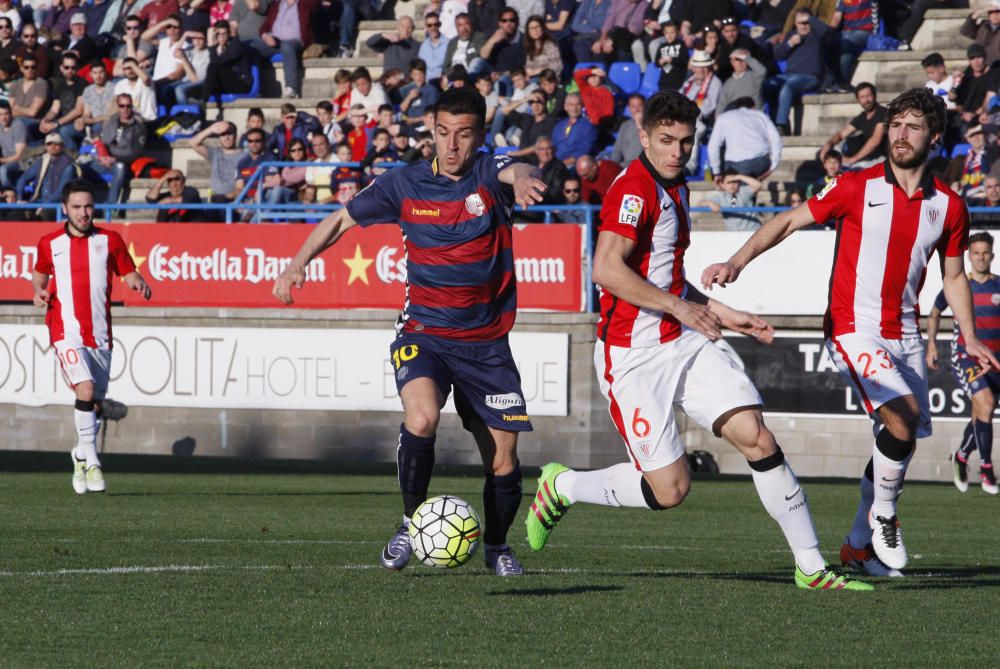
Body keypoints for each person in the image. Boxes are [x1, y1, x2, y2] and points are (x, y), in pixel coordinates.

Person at [524, 90, 870, 591]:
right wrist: (681, 307)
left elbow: (665, 279)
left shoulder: (677, 185)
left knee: (755, 435)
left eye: (685, 143)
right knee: (670, 490)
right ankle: (563, 485)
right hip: (634, 356)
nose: (676, 152)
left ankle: (812, 568)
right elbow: (605, 268)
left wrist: (721, 311)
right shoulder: (633, 191)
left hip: (682, 338)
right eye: (665, 141)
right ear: (643, 136)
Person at [701, 88, 1000, 578]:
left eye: (913, 126)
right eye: (896, 124)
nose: (901, 135)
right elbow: (789, 221)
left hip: (902, 332)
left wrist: (967, 337)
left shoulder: (949, 206)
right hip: (852, 327)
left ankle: (858, 546)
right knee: (901, 422)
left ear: (935, 137)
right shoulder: (855, 185)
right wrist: (737, 261)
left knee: (896, 438)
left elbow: (954, 276)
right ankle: (885, 515)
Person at [273, 87, 548, 576]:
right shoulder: (403, 183)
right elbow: (341, 220)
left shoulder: (489, 172)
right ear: (432, 131)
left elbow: (518, 170)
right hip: (424, 330)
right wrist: (297, 265)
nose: (452, 145)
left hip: (485, 343)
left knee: (503, 457)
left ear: (479, 135)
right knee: (421, 419)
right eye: (443, 133)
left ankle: (497, 546)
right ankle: (408, 523)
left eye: (464, 135)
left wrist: (527, 178)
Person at [32, 179, 152, 495]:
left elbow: (128, 271)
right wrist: (38, 291)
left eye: (88, 206)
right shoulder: (50, 242)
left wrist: (137, 280)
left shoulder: (110, 240)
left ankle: (80, 454)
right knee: (84, 389)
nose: (84, 213)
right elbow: (40, 273)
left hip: (100, 334)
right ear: (65, 208)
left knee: (94, 404)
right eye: (77, 207)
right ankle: (94, 462)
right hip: (64, 329)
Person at [926, 232, 1000, 496]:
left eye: (985, 252)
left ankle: (960, 455)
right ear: (969, 255)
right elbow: (934, 313)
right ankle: (987, 469)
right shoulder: (959, 285)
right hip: (966, 357)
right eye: (976, 252)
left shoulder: (998, 286)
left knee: (982, 413)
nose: (981, 257)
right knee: (987, 404)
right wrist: (932, 343)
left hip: (995, 361)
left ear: (992, 254)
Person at [764, 9, 828, 136]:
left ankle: (781, 125)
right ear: (795, 23)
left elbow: (826, 30)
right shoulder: (791, 35)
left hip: (809, 76)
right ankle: (773, 122)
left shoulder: (817, 35)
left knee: (788, 86)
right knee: (768, 84)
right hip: (788, 75)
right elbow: (778, 56)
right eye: (800, 23)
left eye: (806, 23)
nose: (804, 26)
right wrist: (789, 44)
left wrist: (810, 19)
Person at [255, 0, 318, 99]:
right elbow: (264, 27)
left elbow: (316, 3)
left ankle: (291, 88)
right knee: (252, 46)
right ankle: (254, 88)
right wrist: (265, 36)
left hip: (295, 42)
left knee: (287, 46)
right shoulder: (276, 5)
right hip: (275, 41)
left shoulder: (305, 3)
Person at [91, 93, 146, 206]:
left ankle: (111, 207)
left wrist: (115, 159)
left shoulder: (139, 126)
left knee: (120, 167)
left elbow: (136, 152)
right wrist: (102, 153)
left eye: (128, 106)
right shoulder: (110, 121)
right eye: (122, 106)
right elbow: (100, 136)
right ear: (118, 106)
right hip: (105, 160)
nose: (125, 109)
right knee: (79, 169)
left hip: (124, 163)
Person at [708, 97, 781, 180]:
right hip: (761, 162)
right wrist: (774, 164)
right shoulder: (761, 115)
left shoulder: (724, 117)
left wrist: (716, 171)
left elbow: (713, 146)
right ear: (753, 107)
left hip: (735, 165)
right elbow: (776, 139)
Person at [818, 82, 887, 169]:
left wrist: (853, 159)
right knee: (834, 148)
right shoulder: (863, 116)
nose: (866, 100)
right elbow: (841, 134)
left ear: (874, 96)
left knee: (853, 169)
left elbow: (875, 140)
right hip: (867, 157)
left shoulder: (883, 113)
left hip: (882, 158)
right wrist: (828, 145)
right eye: (862, 97)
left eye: (868, 95)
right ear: (858, 100)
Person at [16, 133, 79, 206]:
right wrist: (19, 198)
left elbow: (61, 191)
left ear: (62, 146)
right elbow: (23, 178)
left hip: (57, 204)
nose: (52, 146)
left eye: (56, 144)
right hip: (38, 201)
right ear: (45, 146)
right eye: (49, 144)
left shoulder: (68, 165)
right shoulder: (41, 161)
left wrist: (45, 205)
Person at [611, 94, 644, 165]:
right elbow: (617, 150)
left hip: (642, 166)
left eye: (640, 106)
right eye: (633, 107)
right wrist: (613, 166)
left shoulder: (652, 125)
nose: (637, 110)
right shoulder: (625, 125)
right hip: (625, 166)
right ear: (629, 108)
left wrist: (639, 123)